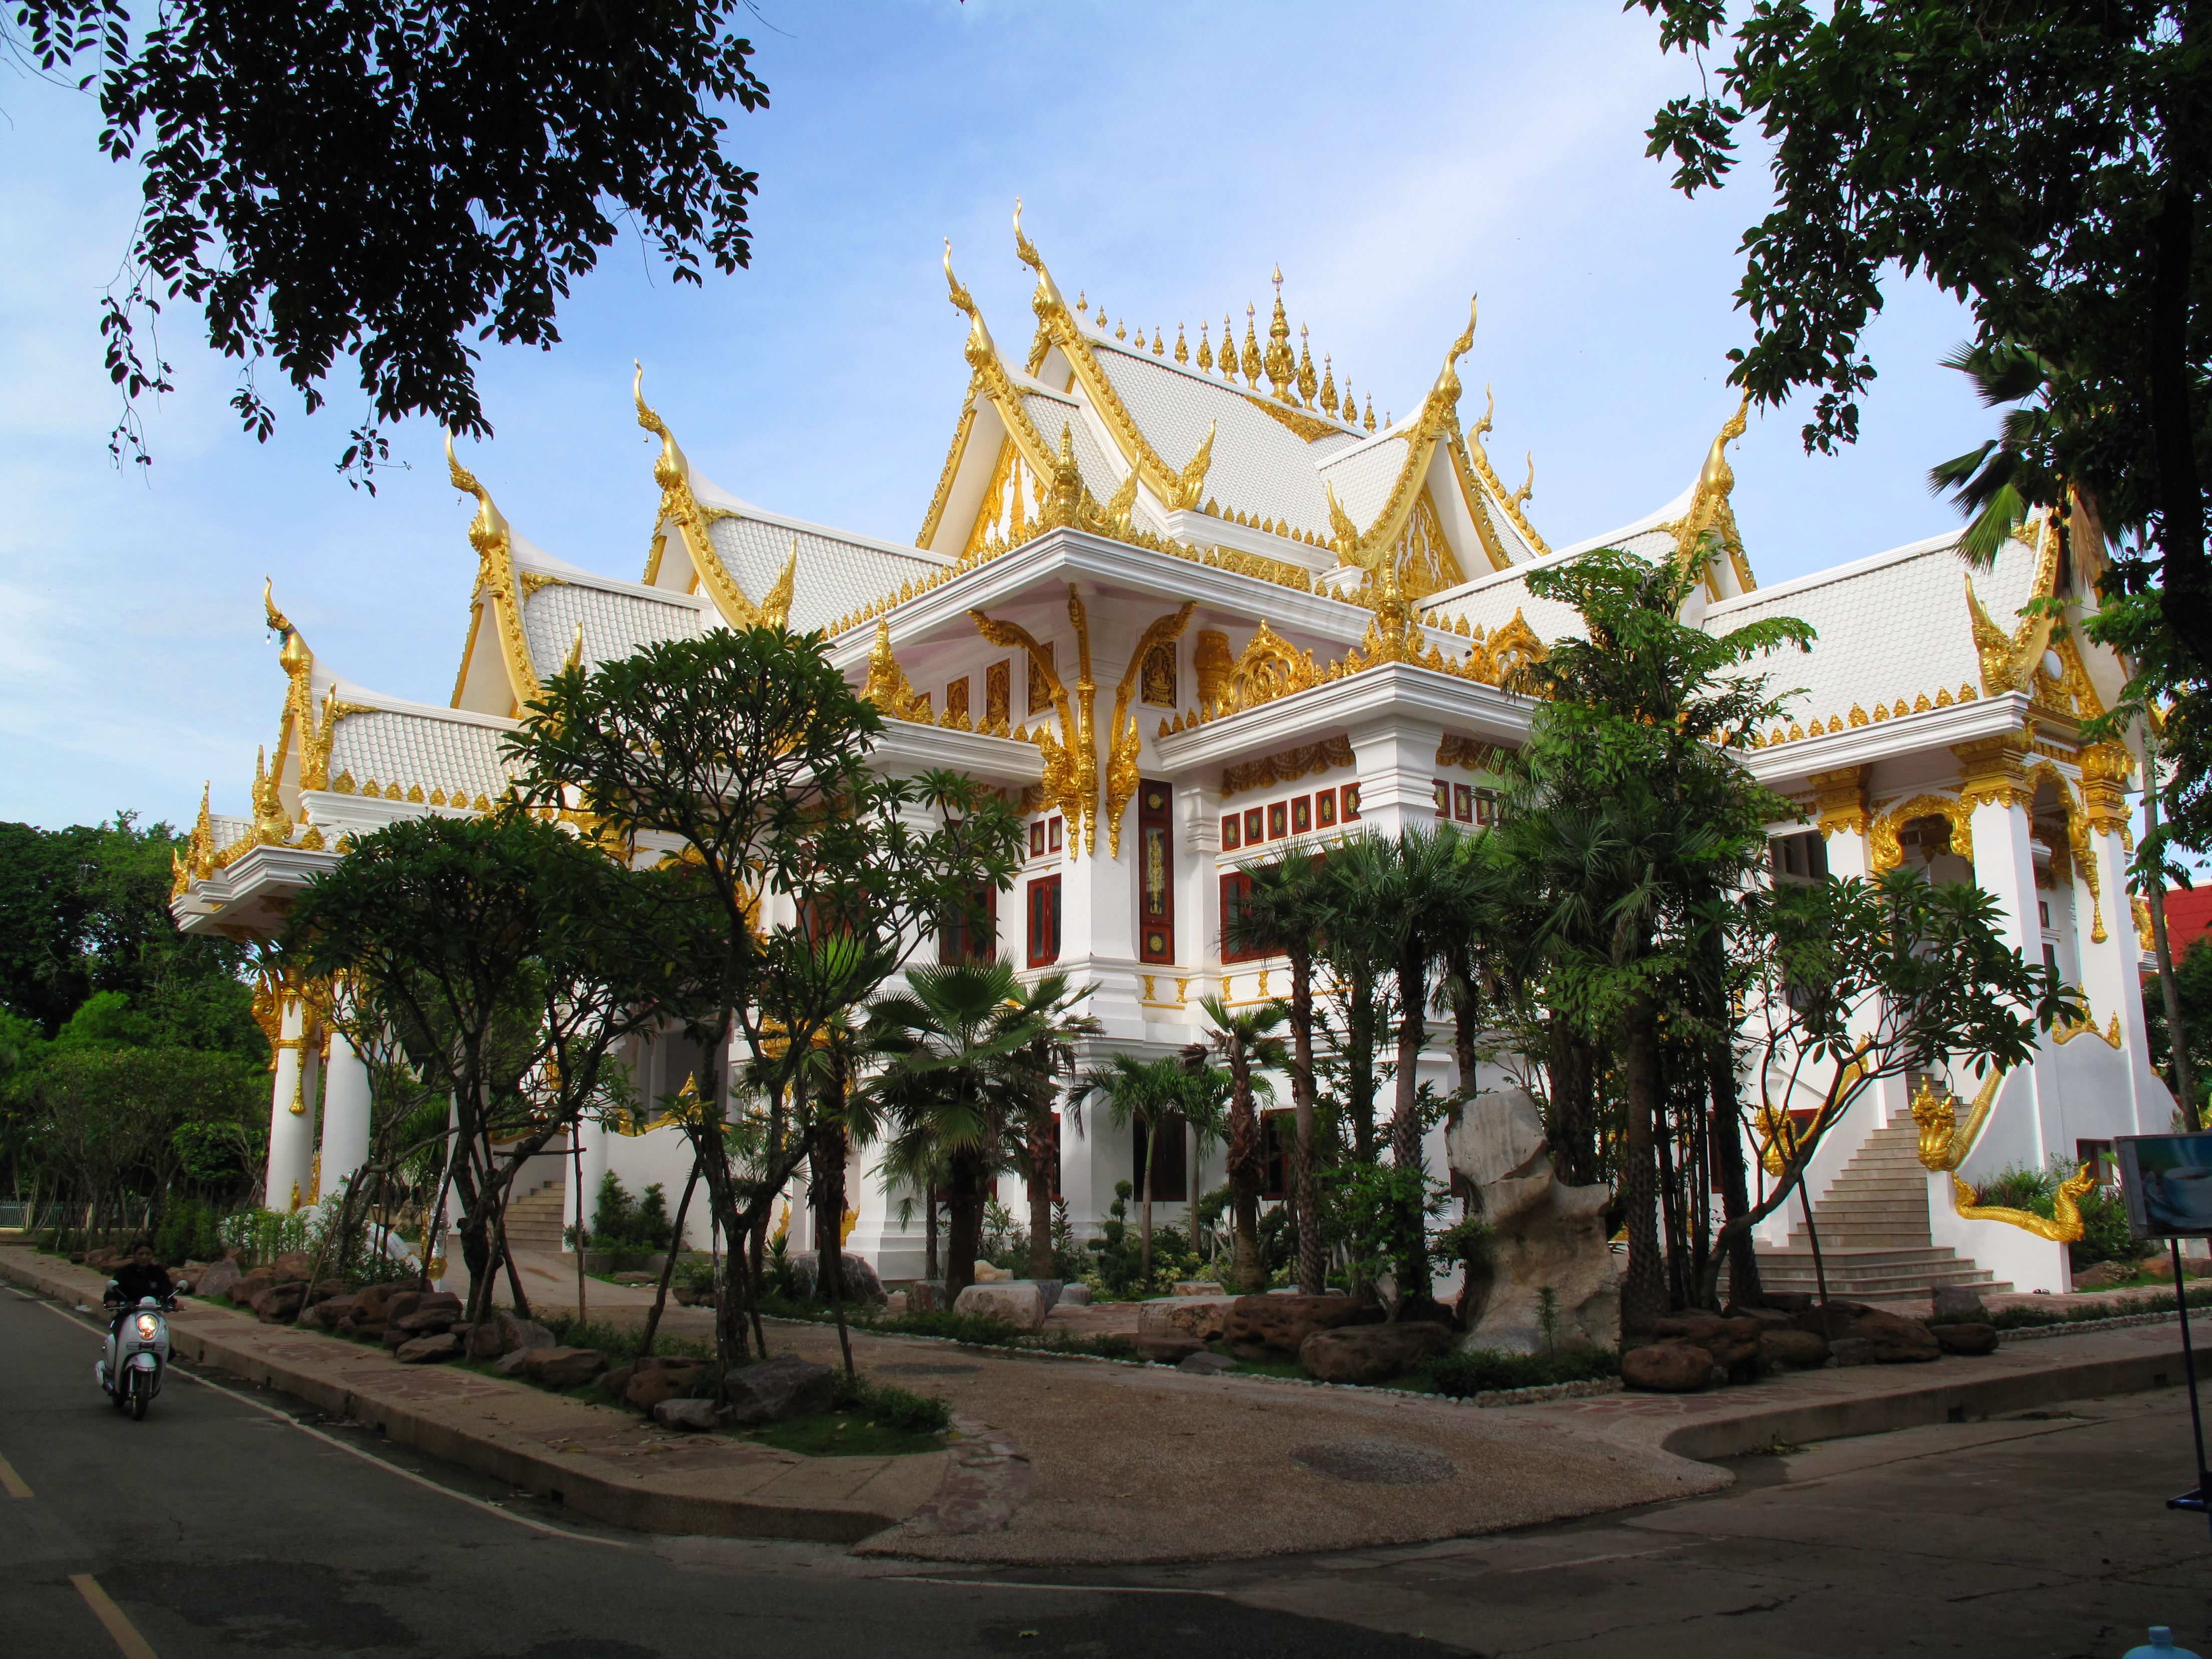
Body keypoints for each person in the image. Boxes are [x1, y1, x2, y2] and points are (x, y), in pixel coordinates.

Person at [104, 1241, 176, 1331]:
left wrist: (174, 1304)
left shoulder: (159, 1272)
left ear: (152, 1255)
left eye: (148, 1254)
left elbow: (167, 1293)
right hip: (127, 1315)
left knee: (164, 1342)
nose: (144, 1257)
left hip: (152, 1317)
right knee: (119, 1335)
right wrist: (111, 1301)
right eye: (141, 1254)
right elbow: (112, 1291)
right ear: (134, 1255)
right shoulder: (124, 1272)